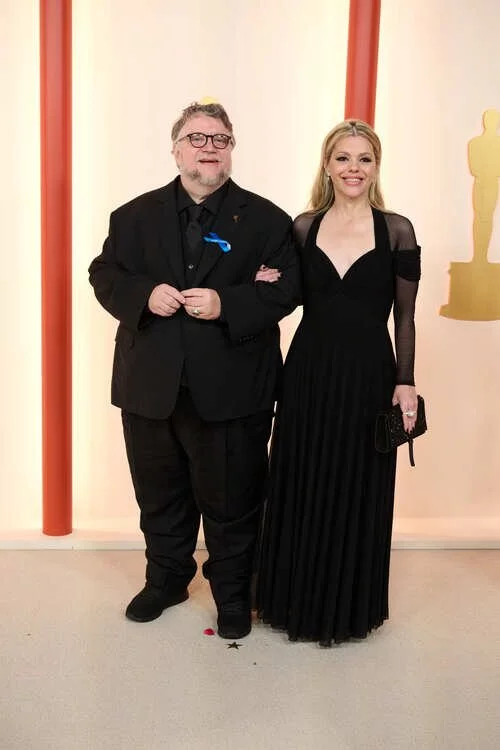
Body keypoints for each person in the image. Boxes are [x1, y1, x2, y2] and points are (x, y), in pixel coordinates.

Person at [88, 101, 300, 639]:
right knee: (159, 496)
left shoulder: (268, 220)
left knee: (234, 502)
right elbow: (103, 273)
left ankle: (233, 594)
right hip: (149, 387)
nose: (209, 147)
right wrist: (143, 294)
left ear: (231, 149)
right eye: (197, 138)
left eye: (220, 138)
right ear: (176, 149)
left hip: (234, 389)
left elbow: (286, 289)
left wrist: (228, 303)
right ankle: (166, 580)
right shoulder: (132, 216)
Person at [255, 119, 421, 646]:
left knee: (358, 485)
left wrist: (405, 382)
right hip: (308, 371)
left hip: (370, 374)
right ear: (327, 165)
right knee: (301, 478)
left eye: (364, 158)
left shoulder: (397, 230)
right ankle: (293, 601)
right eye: (343, 158)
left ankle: (348, 609)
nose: (354, 168)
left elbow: (405, 317)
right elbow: (285, 295)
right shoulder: (303, 227)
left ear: (376, 167)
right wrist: (262, 281)